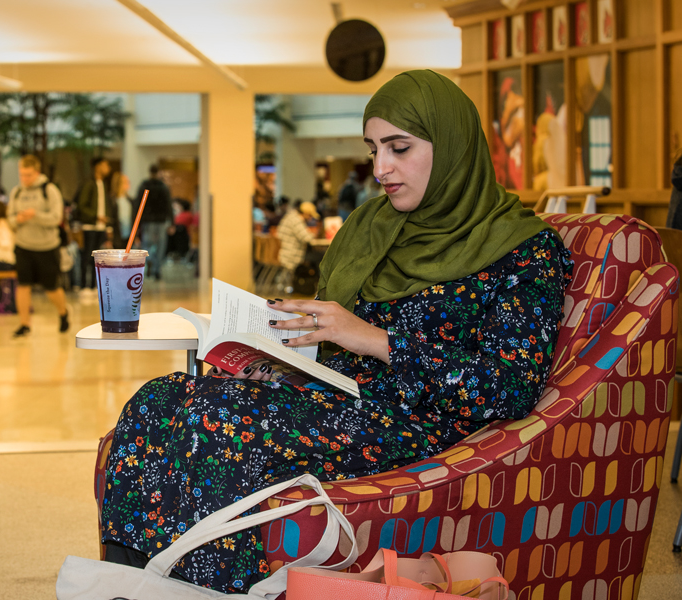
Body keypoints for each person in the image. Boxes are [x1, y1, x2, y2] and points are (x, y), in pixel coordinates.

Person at [99, 71, 575, 592]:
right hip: (339, 393)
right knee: (157, 399)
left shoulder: (522, 249)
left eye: (399, 148)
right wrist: (277, 354)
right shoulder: (373, 226)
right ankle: (131, 586)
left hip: (419, 420)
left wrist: (372, 339)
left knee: (215, 417)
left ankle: (210, 589)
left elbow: (510, 386)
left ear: (453, 145)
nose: (381, 168)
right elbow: (334, 337)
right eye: (373, 150)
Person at [6, 154, 69, 337]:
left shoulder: (49, 190)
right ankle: (24, 324)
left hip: (47, 247)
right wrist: (18, 219)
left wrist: (35, 215)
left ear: (37, 172)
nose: (25, 179)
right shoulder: (17, 192)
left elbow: (57, 218)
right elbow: (9, 218)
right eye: (22, 175)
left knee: (51, 288)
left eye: (29, 175)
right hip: (23, 245)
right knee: (23, 285)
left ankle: (63, 313)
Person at [78, 158, 116, 293]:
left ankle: (94, 285)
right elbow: (81, 205)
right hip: (89, 226)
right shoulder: (88, 183)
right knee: (87, 256)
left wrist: (108, 225)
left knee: (98, 258)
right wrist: (95, 216)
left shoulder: (103, 184)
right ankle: (84, 285)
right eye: (105, 165)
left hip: (101, 226)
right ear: (98, 166)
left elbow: (107, 206)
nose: (108, 168)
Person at [136, 164, 173, 280]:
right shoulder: (163, 187)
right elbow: (169, 204)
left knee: (147, 245)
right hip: (161, 220)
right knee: (160, 245)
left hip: (148, 220)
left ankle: (150, 261)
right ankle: (157, 269)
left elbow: (138, 204)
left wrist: (137, 222)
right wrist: (172, 222)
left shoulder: (144, 185)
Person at [276, 200, 320, 291]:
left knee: (317, 255)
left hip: (284, 251)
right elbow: (307, 238)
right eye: (310, 216)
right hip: (291, 254)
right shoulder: (296, 220)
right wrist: (314, 233)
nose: (311, 219)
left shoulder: (290, 216)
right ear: (306, 213)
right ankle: (317, 287)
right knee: (321, 256)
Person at [111, 171, 135, 250]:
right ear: (119, 184)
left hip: (129, 237)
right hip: (117, 237)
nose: (128, 184)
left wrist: (136, 236)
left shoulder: (130, 201)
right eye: (125, 182)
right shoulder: (112, 201)